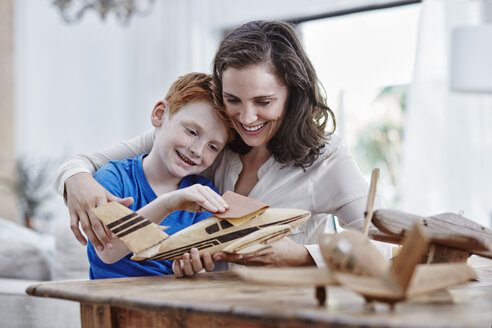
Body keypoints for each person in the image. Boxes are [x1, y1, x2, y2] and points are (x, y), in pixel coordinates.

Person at [56, 20, 387, 277]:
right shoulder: (212, 140)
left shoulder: (327, 159)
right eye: (233, 100)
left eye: (264, 101)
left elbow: (384, 249)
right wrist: (78, 183)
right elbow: (85, 162)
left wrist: (301, 256)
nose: (246, 117)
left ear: (293, 94)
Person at [84, 72, 235, 278]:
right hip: (110, 305)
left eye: (212, 146)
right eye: (192, 132)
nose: (198, 151)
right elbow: (108, 251)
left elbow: (197, 261)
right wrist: (168, 204)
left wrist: (191, 268)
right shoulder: (112, 178)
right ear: (160, 114)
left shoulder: (205, 195)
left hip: (169, 303)